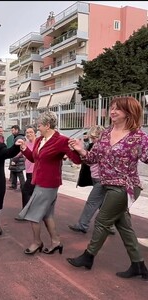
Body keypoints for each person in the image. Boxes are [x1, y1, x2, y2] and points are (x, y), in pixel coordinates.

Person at [67, 96, 148, 280]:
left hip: (125, 186)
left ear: (129, 112)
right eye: (111, 108)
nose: (112, 111)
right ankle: (138, 265)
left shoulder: (138, 136)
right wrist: (80, 150)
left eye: (117, 109)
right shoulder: (105, 133)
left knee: (102, 221)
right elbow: (92, 158)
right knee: (124, 226)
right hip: (106, 184)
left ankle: (88, 257)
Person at [15, 111, 82, 255]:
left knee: (33, 214)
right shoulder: (40, 140)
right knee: (47, 215)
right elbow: (34, 159)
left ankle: (37, 242)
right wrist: (24, 148)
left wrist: (78, 150)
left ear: (47, 125)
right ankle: (56, 241)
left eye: (39, 125)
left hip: (49, 184)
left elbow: (77, 160)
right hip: (39, 181)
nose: (37, 128)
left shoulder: (62, 140)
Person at [68, 125, 116, 235]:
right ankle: (110, 226)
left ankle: (82, 225)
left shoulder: (104, 147)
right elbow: (89, 160)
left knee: (92, 202)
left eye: (95, 137)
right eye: (92, 138)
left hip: (101, 179)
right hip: (97, 177)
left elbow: (91, 161)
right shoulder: (96, 146)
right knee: (101, 204)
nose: (93, 140)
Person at [15, 125, 37, 221]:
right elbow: (21, 153)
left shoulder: (38, 143)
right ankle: (34, 212)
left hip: (35, 172)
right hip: (28, 171)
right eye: (27, 133)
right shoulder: (26, 143)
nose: (29, 134)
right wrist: (15, 159)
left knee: (25, 190)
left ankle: (25, 213)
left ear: (35, 133)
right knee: (32, 192)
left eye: (31, 132)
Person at [6, 125, 25, 189]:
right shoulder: (17, 137)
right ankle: (14, 185)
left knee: (19, 172)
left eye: (13, 130)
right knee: (14, 171)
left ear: (17, 130)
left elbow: (21, 149)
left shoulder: (19, 138)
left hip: (18, 158)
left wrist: (15, 158)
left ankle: (23, 186)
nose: (12, 132)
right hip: (16, 157)